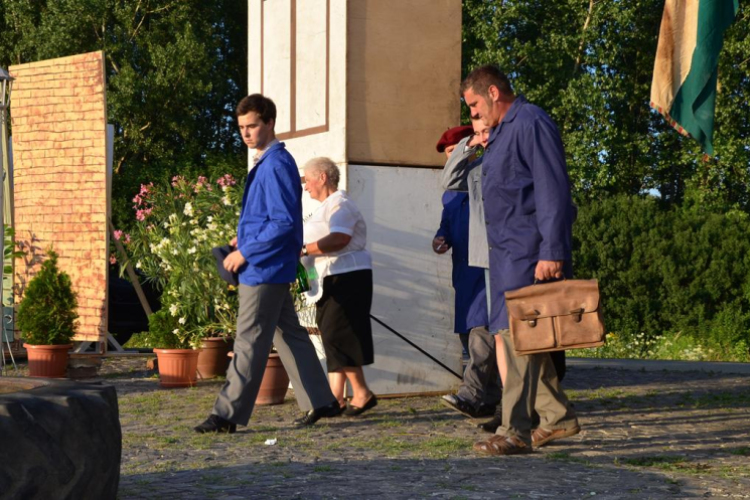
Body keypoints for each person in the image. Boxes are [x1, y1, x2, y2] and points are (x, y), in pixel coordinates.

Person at [195, 94, 340, 434]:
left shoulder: (275, 164)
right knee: (290, 335)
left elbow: (282, 224)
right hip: (269, 266)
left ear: (270, 123)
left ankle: (227, 415)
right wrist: (239, 242)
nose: (246, 133)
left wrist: (245, 252)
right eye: (241, 127)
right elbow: (269, 219)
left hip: (263, 269)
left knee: (248, 341)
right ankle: (322, 401)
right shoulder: (268, 162)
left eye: (253, 126)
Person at [461, 65, 580, 455]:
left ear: (493, 92)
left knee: (520, 342)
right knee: (529, 341)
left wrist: (553, 251)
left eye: (475, 105)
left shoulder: (530, 121)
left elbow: (553, 188)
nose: (473, 116)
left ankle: (515, 429)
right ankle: (557, 418)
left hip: (529, 254)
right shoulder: (500, 133)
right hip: (507, 254)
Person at [441, 119, 569, 434]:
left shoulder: (519, 158)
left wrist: (551, 251)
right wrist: (467, 146)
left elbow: (555, 202)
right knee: (504, 337)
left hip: (519, 258)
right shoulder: (478, 167)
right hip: (487, 260)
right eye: (478, 132)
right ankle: (521, 413)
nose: (484, 137)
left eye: (487, 131)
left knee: (517, 336)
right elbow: (450, 179)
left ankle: (526, 415)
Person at [433, 125, 500, 420]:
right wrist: (441, 238)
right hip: (463, 273)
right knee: (467, 335)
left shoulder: (487, 172)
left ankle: (470, 393)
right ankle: (491, 399)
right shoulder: (451, 195)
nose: (451, 160)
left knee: (481, 335)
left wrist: (470, 145)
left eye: (453, 153)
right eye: (449, 155)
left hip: (488, 270)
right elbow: (446, 224)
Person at [301, 157, 377, 416]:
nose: (305, 186)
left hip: (348, 275)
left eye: (307, 179)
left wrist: (301, 249)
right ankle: (336, 397)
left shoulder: (341, 205)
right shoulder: (326, 207)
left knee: (337, 334)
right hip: (329, 277)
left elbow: (340, 238)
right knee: (330, 334)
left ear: (322, 177)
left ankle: (362, 393)